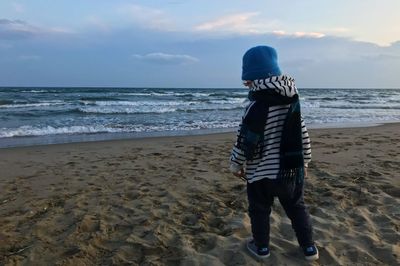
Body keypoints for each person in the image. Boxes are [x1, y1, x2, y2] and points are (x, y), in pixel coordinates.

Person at [229, 45, 318, 261]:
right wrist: (304, 162)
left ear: (252, 78)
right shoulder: (291, 101)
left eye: (246, 80)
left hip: (260, 174)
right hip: (290, 170)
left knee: (259, 211)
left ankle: (261, 248)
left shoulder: (255, 106)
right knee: (297, 208)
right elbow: (302, 134)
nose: (246, 84)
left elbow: (245, 141)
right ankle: (309, 249)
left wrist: (235, 164)